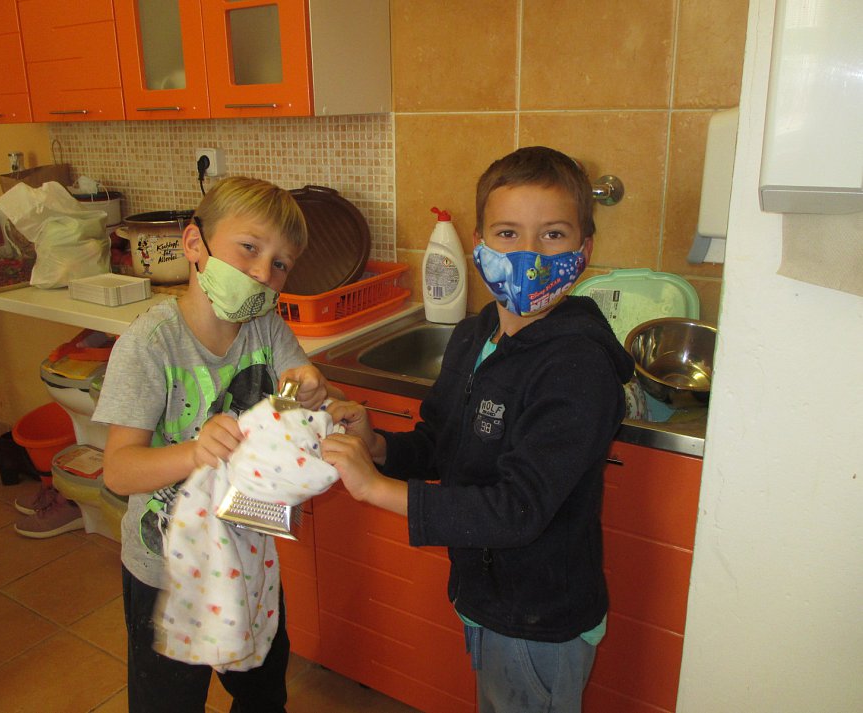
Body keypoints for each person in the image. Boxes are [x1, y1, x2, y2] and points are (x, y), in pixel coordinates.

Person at [321, 146, 635, 713]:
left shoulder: (577, 368)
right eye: (508, 234)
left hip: (539, 619)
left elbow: (517, 510)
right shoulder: (476, 334)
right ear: (478, 244)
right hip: (486, 593)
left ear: (585, 250)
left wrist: (375, 488)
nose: (528, 256)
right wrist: (378, 445)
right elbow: (441, 442)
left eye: (553, 235)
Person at [94, 176, 338, 713]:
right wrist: (194, 452)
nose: (263, 272)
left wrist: (305, 392)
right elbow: (119, 471)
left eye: (280, 264)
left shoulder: (267, 329)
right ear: (194, 243)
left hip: (247, 557)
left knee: (262, 691)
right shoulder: (150, 345)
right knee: (170, 700)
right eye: (249, 248)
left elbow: (287, 409)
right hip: (166, 570)